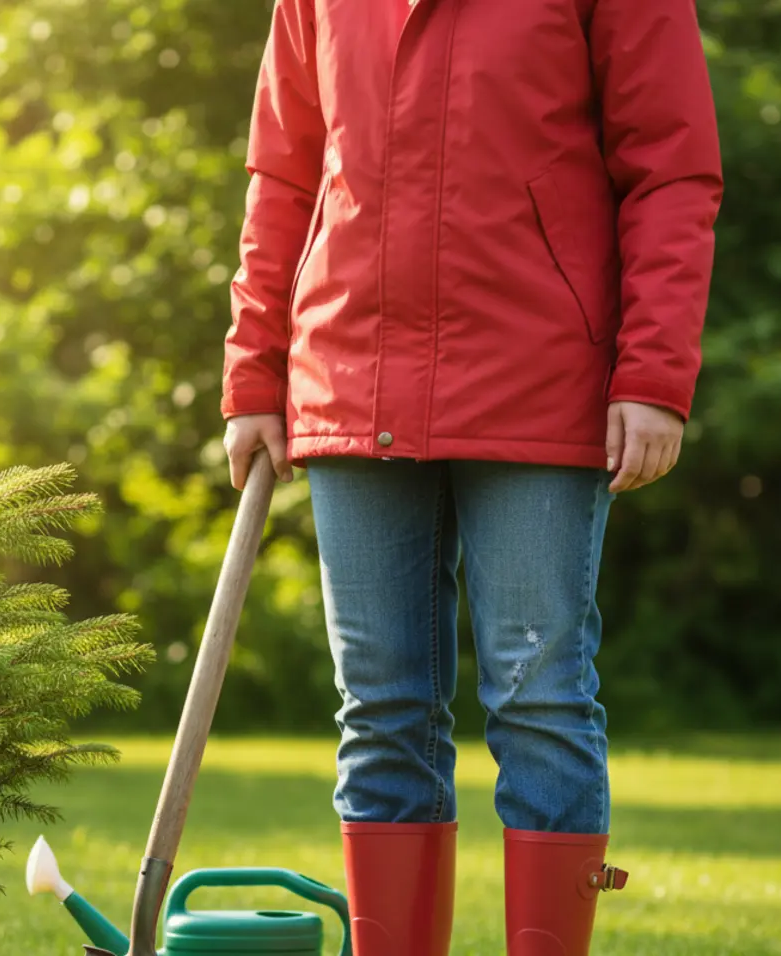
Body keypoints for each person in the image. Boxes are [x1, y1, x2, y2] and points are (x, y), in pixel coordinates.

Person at [220, 1, 722, 954]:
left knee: (539, 702)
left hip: (540, 379)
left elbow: (671, 167)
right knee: (381, 711)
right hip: (350, 373)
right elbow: (283, 173)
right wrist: (254, 371)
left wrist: (655, 374)